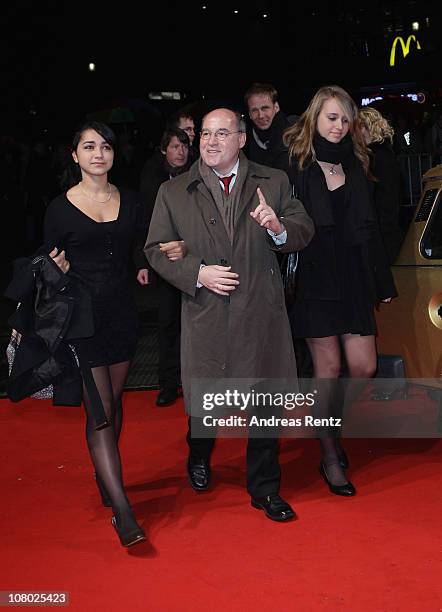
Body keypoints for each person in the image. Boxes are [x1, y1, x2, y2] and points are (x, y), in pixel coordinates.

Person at [145, 108, 314, 521]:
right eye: (205, 133)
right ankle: (199, 455)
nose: (211, 141)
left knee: (265, 403)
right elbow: (155, 249)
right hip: (207, 312)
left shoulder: (272, 181)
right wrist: (197, 272)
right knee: (207, 402)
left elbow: (303, 227)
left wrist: (277, 227)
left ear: (241, 139)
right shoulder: (174, 191)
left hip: (260, 313)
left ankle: (265, 488)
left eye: (222, 133)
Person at [283, 86, 397, 496]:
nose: (339, 126)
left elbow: (373, 231)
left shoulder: (358, 161)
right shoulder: (296, 164)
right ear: (315, 117)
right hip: (315, 278)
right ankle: (330, 454)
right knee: (327, 369)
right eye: (332, 118)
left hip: (353, 276)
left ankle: (326, 425)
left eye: (346, 120)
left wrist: (382, 282)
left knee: (364, 367)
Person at [43, 120, 146, 547]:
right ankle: (122, 511)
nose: (98, 154)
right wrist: (57, 270)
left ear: (113, 155)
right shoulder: (59, 208)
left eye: (105, 146)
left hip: (122, 312)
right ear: (75, 155)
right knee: (101, 410)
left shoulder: (133, 201)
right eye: (89, 146)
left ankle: (107, 477)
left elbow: (139, 248)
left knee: (115, 403)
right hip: (81, 319)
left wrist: (148, 263)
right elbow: (45, 264)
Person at [138, 128, 192, 406]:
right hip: (165, 261)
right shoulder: (152, 179)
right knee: (167, 322)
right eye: (174, 146)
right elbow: (144, 223)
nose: (180, 151)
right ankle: (168, 383)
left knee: (196, 325)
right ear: (163, 150)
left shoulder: (199, 174)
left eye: (184, 146)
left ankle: (194, 381)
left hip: (195, 259)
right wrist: (142, 262)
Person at [359, 106, 402, 264]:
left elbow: (385, 197)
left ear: (366, 127)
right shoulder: (383, 154)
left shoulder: (378, 158)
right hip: (385, 227)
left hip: (383, 229)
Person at [244, 82, 292, 174]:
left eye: (265, 108)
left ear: (276, 107)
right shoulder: (244, 142)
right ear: (249, 114)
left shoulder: (295, 134)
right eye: (254, 110)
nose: (260, 115)